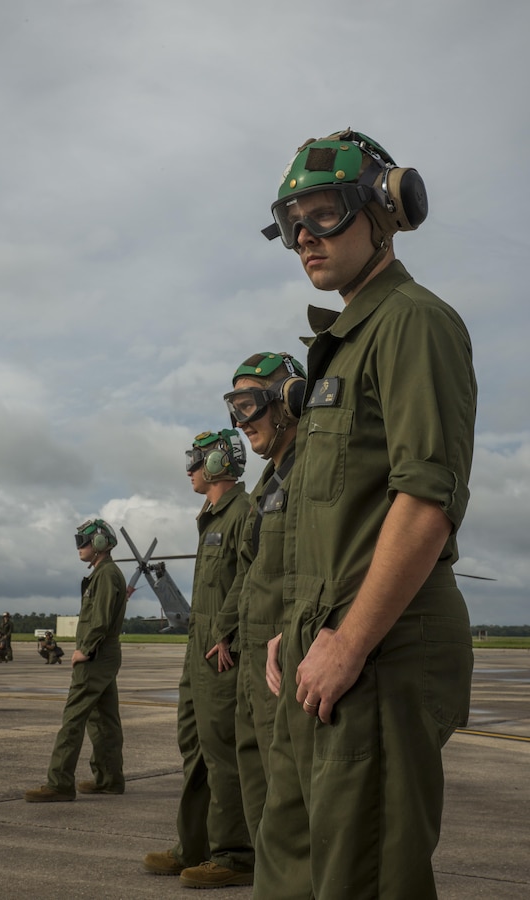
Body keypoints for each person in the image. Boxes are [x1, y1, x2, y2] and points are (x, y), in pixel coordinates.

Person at [253, 127, 477, 899]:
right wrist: (301, 621)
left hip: (379, 654)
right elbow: (337, 517)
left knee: (362, 877)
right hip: (328, 651)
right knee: (292, 866)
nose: (305, 239)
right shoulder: (341, 347)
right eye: (292, 224)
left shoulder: (412, 321)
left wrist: (347, 641)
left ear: (384, 211)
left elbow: (426, 503)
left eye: (326, 214)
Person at [143, 429, 254, 889]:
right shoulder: (210, 516)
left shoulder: (244, 513)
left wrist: (227, 632)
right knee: (194, 748)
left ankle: (235, 854)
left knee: (222, 753)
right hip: (198, 654)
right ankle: (194, 846)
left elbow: (251, 578)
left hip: (220, 656)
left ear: (217, 463)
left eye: (196, 459)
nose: (189, 468)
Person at [221, 351, 306, 842]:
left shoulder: (306, 474)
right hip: (253, 663)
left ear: (288, 402)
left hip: (284, 665)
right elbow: (252, 572)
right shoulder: (267, 484)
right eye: (234, 408)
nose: (241, 422)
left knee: (288, 807)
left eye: (250, 405)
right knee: (257, 790)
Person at [24, 518, 127, 802]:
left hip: (96, 656)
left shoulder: (106, 575)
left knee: (73, 719)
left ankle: (59, 783)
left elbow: (101, 619)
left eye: (84, 541)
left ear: (100, 544)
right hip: (104, 655)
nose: (79, 547)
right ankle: (109, 780)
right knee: (103, 720)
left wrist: (85, 649)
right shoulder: (104, 573)